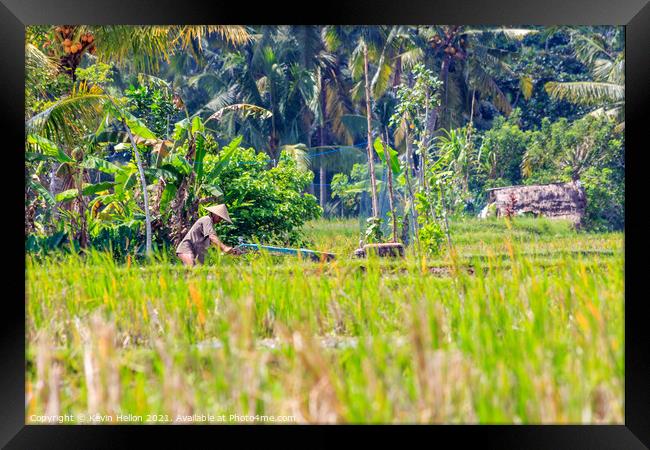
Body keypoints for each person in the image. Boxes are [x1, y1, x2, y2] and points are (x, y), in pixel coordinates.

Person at [176, 204, 242, 266]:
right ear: (214, 214)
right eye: (219, 217)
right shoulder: (207, 219)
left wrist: (232, 252)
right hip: (187, 248)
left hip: (196, 253)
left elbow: (215, 244)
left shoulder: (210, 226)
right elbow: (212, 237)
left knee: (197, 274)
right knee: (192, 268)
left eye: (222, 219)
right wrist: (225, 248)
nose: (220, 220)